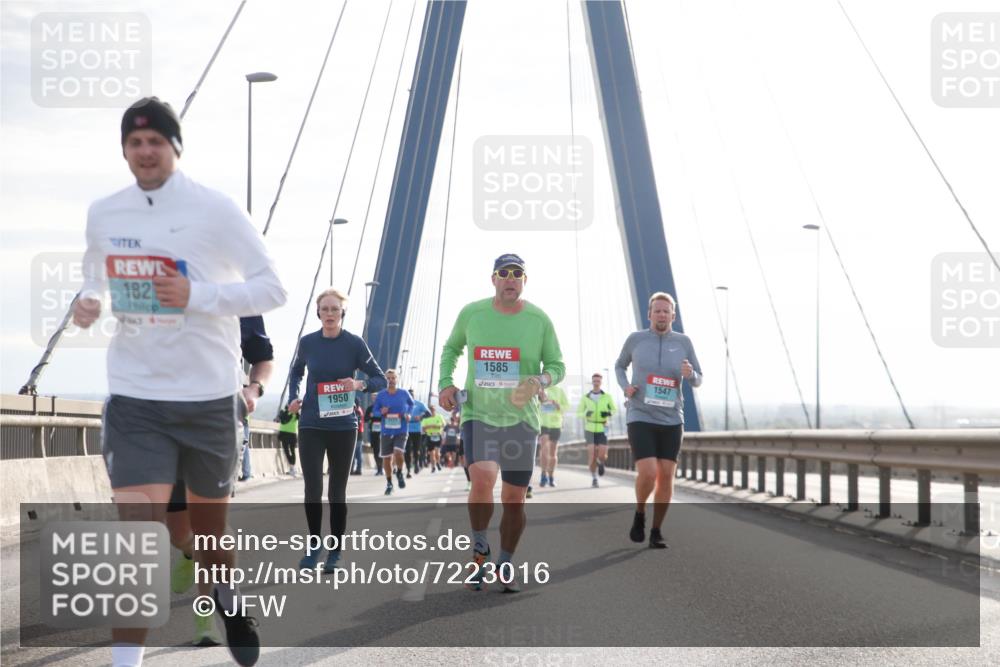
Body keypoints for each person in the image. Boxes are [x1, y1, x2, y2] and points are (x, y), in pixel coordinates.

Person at [74, 96, 287, 667]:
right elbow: (95, 273)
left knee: (209, 538)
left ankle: (228, 599)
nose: (145, 152)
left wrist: (202, 297)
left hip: (207, 400)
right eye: (135, 143)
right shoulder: (105, 212)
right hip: (135, 398)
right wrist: (89, 301)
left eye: (156, 142)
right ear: (124, 150)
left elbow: (273, 289)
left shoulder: (216, 211)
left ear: (175, 147)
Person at [439, 253, 564, 593]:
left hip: (522, 421)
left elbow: (557, 365)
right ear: (493, 279)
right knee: (482, 478)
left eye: (517, 273)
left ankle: (505, 563)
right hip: (479, 414)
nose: (511, 278)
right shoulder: (472, 313)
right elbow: (451, 349)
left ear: (525, 280)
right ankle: (479, 552)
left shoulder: (539, 319)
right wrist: (445, 383)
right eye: (504, 273)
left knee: (513, 498)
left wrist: (540, 380)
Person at [167, 315, 274, 648]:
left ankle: (206, 622)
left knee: (208, 529)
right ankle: (186, 552)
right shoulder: (159, 281)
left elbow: (262, 356)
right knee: (180, 534)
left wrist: (254, 389)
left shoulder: (240, 296)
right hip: (164, 423)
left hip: (219, 424)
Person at [287, 288, 386, 572]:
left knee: (336, 492)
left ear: (343, 313)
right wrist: (294, 395)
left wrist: (358, 385)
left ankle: (335, 552)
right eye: (325, 309)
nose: (330, 314)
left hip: (343, 426)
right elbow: (296, 371)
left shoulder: (354, 344)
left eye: (335, 309)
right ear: (318, 313)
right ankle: (314, 545)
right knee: (312, 488)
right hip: (311, 423)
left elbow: (379, 378)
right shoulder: (307, 343)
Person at [615, 292, 703, 549]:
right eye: (658, 311)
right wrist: (625, 386)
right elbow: (620, 366)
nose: (662, 315)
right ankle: (640, 511)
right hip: (640, 414)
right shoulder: (636, 339)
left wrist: (691, 374)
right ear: (649, 314)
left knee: (666, 476)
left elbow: (698, 378)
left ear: (673, 315)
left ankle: (656, 530)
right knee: (649, 471)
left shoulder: (684, 342)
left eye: (667, 311)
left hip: (672, 418)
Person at [372, 370, 414, 495]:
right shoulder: (380, 395)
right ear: (386, 380)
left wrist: (408, 414)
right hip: (386, 430)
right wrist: (381, 412)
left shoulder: (404, 393)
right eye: (388, 378)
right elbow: (375, 411)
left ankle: (400, 472)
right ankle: (389, 483)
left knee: (398, 453)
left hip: (401, 429)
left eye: (393, 378)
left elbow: (411, 405)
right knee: (386, 458)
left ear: (397, 379)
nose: (391, 380)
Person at [577, 373, 616, 488]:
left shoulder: (607, 396)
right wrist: (586, 413)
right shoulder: (586, 397)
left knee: (602, 454)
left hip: (603, 427)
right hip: (589, 427)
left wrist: (608, 413)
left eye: (598, 381)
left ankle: (601, 462)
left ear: (601, 382)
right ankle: (594, 478)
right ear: (592, 382)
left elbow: (614, 409)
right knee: (592, 454)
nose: (596, 383)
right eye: (594, 381)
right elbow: (579, 413)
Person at [536, 383, 569, 488]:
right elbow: (534, 405)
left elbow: (566, 406)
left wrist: (557, 405)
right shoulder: (540, 389)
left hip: (556, 424)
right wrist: (540, 400)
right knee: (544, 451)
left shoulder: (559, 390)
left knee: (553, 454)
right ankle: (543, 474)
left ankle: (551, 476)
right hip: (543, 424)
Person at [406, 392, 429, 476]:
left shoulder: (419, 404)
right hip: (406, 430)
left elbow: (428, 413)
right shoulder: (403, 403)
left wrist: (421, 417)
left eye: (411, 395)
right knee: (407, 450)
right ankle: (408, 469)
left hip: (417, 430)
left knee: (416, 449)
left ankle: (416, 464)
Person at [421, 405, 447, 472]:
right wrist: (431, 426)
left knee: (437, 452)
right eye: (431, 410)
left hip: (438, 435)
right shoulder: (426, 418)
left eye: (433, 410)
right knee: (431, 453)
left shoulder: (439, 417)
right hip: (430, 436)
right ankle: (433, 467)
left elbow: (443, 425)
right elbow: (423, 429)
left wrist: (435, 426)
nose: (432, 411)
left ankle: (438, 463)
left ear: (435, 410)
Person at [364, 393, 383, 476]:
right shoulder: (370, 408)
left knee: (381, 450)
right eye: (373, 397)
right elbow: (365, 419)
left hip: (382, 432)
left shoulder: (382, 407)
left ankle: (381, 469)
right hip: (373, 431)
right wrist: (370, 416)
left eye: (375, 397)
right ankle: (379, 468)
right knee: (375, 450)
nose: (374, 399)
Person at [277, 404, 299, 477]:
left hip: (285, 434)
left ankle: (292, 467)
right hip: (292, 434)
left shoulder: (283, 413)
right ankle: (292, 467)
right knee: (291, 451)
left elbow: (280, 419)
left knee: (287, 451)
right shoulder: (295, 414)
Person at [351, 404, 365, 475]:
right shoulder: (360, 410)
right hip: (360, 433)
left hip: (357, 433)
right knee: (358, 453)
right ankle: (358, 469)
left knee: (354, 453)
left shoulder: (357, 411)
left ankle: (353, 469)